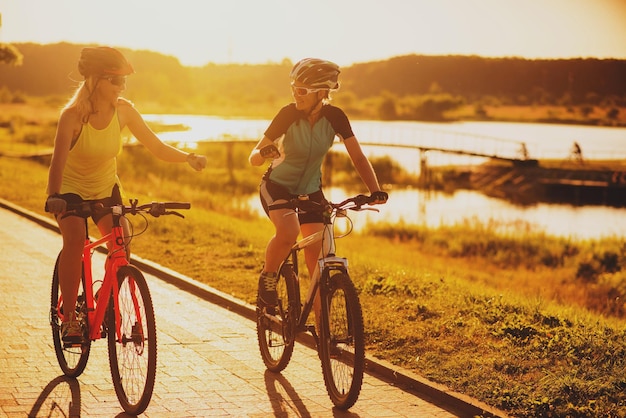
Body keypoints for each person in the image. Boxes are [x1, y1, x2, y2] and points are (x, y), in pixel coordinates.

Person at [45, 47, 207, 343]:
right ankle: (69, 318)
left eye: (123, 82)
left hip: (105, 188)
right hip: (69, 191)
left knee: (122, 240)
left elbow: (156, 147)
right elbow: (57, 161)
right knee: (75, 240)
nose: (121, 87)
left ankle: (97, 298)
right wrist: (53, 195)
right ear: (96, 81)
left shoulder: (124, 111)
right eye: (115, 81)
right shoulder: (72, 117)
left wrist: (188, 157)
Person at [249, 57, 388, 313]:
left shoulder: (335, 117)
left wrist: (374, 190)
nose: (295, 94)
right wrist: (263, 154)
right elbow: (254, 156)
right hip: (277, 187)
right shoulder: (288, 114)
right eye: (293, 88)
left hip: (310, 191)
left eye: (301, 90)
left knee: (318, 260)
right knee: (289, 231)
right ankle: (268, 278)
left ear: (321, 92)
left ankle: (326, 341)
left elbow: (357, 156)